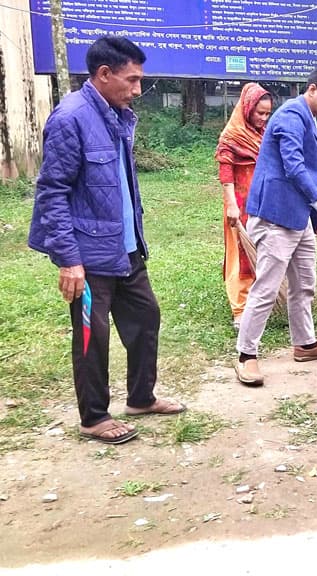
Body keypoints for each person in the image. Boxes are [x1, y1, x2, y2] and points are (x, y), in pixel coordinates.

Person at [27, 36, 185, 445]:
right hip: (88, 255)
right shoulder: (70, 118)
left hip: (126, 248)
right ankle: (94, 417)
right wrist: (67, 260)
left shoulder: (117, 114)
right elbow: (52, 192)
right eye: (131, 80)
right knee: (90, 336)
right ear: (103, 74)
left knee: (146, 318)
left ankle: (141, 397)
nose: (137, 90)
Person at [233, 67, 317, 387]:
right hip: (275, 218)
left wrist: (314, 214)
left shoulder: (308, 117)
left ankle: (305, 343)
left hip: (299, 219)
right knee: (267, 288)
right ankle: (246, 355)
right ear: (312, 89)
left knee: (305, 284)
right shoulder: (289, 117)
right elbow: (293, 166)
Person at [215, 82, 273, 329]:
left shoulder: (265, 134)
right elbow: (226, 171)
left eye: (267, 113)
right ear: (248, 108)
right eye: (259, 113)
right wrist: (231, 206)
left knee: (263, 251)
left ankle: (260, 302)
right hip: (239, 203)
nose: (263, 118)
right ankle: (240, 309)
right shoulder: (232, 135)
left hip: (263, 203)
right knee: (240, 255)